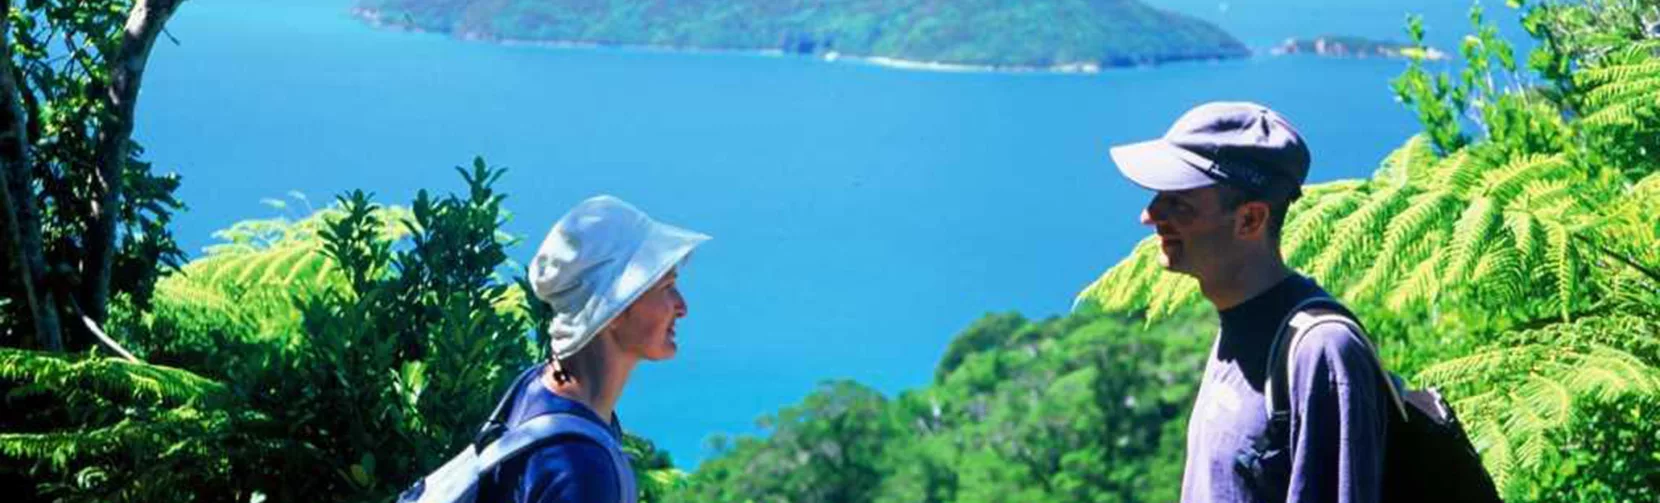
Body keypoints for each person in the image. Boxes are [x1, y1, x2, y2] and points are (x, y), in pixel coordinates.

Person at [1107, 102, 1389, 502]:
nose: (1149, 215)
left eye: (1179, 203)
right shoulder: (1238, 321)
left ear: (1250, 220)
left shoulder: (1320, 351)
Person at [484, 195, 709, 503]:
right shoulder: (582, 471)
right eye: (666, 287)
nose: (682, 307)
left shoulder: (537, 386)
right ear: (614, 309)